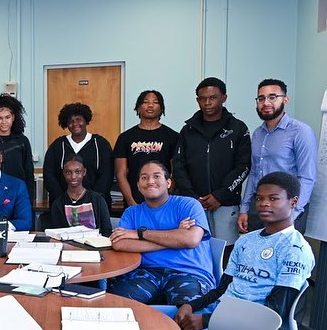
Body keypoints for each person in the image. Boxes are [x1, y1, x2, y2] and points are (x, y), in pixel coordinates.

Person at [174, 172, 314, 330]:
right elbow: (222, 290)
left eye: (273, 199)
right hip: (219, 313)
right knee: (151, 324)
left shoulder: (295, 249)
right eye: (259, 198)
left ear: (293, 202)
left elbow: (274, 313)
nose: (264, 204)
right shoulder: (246, 240)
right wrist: (191, 306)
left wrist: (207, 321)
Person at [109, 161, 214, 305]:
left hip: (188, 273)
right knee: (116, 306)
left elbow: (191, 240)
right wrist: (175, 238)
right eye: (144, 178)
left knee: (188, 313)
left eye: (157, 176)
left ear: (169, 183)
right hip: (145, 273)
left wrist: (140, 234)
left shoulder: (189, 205)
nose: (150, 181)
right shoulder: (132, 212)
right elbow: (119, 243)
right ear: (138, 186)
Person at [173, 77, 250, 245]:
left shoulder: (238, 128)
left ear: (224, 98)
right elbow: (178, 166)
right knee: (195, 248)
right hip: (193, 203)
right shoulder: (187, 130)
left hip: (226, 203)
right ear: (197, 100)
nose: (207, 103)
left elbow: (243, 166)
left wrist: (220, 195)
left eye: (213, 98)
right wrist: (192, 197)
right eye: (203, 99)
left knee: (225, 250)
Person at [239, 79, 318, 235]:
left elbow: (307, 177)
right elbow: (254, 173)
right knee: (255, 248)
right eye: (261, 98)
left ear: (285, 100)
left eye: (273, 97)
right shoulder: (258, 133)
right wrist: (244, 208)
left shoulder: (301, 131)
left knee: (284, 250)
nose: (266, 102)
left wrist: (293, 214)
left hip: (287, 207)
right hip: (259, 205)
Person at [114, 90, 179, 206]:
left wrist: (166, 198)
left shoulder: (173, 137)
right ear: (138, 108)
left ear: (161, 108)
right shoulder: (125, 137)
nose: (150, 105)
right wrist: (131, 202)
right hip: (134, 202)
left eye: (155, 102)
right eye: (145, 102)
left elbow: (176, 172)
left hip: (164, 202)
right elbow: (120, 174)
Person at [44, 102, 113, 208]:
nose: (75, 124)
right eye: (70, 121)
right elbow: (49, 174)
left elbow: (106, 175)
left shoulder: (100, 144)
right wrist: (63, 199)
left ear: (86, 120)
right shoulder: (58, 145)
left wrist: (93, 199)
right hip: (63, 205)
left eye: (79, 119)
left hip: (96, 204)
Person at [49, 156, 112, 236]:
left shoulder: (98, 200)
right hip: (68, 244)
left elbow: (107, 231)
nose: (73, 176)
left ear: (84, 172)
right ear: (64, 173)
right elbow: (57, 234)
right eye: (68, 172)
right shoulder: (58, 204)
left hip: (95, 243)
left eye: (78, 172)